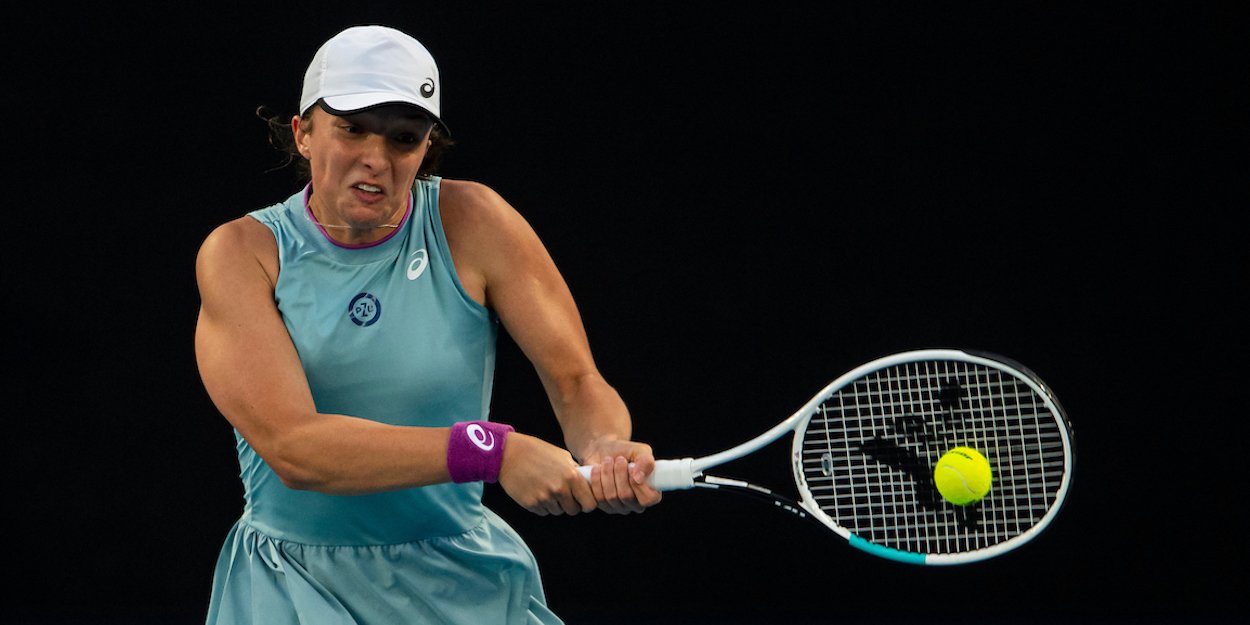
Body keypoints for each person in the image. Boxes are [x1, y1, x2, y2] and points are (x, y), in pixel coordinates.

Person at [194, 24, 662, 625]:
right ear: (303, 132)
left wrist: (605, 449)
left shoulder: (474, 220)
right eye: (352, 128)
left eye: (404, 138)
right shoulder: (242, 254)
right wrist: (492, 451)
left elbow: (575, 381)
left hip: (460, 580)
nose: (376, 158)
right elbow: (296, 449)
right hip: (293, 587)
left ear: (424, 148)